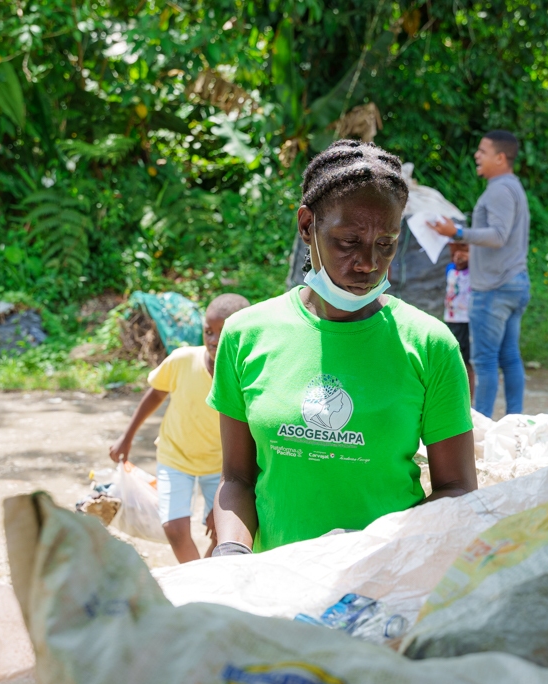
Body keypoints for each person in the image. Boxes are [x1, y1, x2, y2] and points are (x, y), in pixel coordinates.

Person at [206, 140, 478, 557]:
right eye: (348, 241)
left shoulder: (429, 345)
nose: (368, 262)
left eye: (385, 243)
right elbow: (238, 479)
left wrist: (369, 549)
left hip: (381, 587)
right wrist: (231, 553)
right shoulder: (246, 334)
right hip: (275, 585)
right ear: (306, 226)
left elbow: (456, 489)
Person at [109, 293, 250, 562]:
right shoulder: (183, 360)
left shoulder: (246, 376)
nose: (213, 340)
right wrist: (126, 437)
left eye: (223, 332)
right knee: (174, 529)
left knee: (224, 532)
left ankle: (204, 576)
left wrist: (232, 487)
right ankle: (195, 576)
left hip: (221, 468)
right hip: (175, 457)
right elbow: (155, 394)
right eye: (208, 331)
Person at [428, 130, 530, 417]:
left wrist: (456, 232)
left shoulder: (498, 190)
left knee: (484, 362)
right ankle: (515, 421)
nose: (477, 155)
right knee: (509, 357)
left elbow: (498, 235)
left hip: (494, 288)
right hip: (514, 282)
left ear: (500, 158)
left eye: (483, 151)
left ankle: (481, 425)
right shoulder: (513, 187)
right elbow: (504, 239)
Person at [443, 241, 475, 398]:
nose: (457, 258)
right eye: (454, 255)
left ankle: (470, 398)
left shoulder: (472, 272)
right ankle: (455, 393)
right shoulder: (450, 269)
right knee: (453, 357)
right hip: (451, 320)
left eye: (462, 255)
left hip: (466, 321)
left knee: (467, 361)